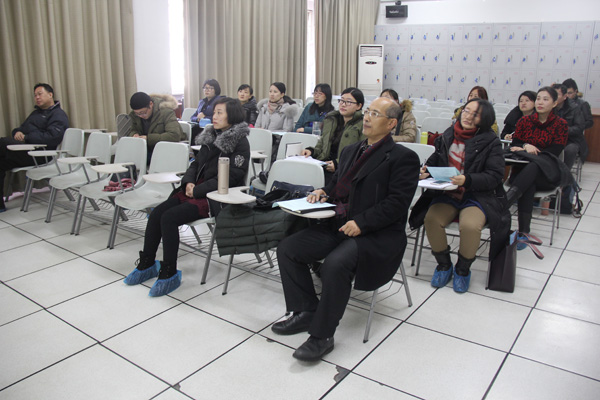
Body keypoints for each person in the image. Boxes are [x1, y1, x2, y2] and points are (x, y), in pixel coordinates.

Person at [271, 97, 420, 361]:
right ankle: (306, 311)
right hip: (340, 224)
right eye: (368, 112)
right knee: (288, 249)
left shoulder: (403, 158)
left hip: (376, 233)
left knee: (335, 264)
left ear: (391, 123)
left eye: (375, 114)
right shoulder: (352, 150)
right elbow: (340, 185)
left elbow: (397, 204)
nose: (368, 117)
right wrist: (323, 191)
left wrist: (362, 223)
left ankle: (322, 336)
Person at [123, 97, 250, 297]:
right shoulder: (210, 135)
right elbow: (195, 164)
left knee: (169, 217)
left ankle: (169, 271)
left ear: (232, 116)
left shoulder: (240, 142)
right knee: (156, 214)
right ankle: (147, 263)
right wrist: (188, 183)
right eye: (214, 112)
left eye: (220, 113)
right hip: (194, 189)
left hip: (215, 196)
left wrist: (197, 190)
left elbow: (231, 177)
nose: (214, 116)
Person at [414, 99, 508, 293]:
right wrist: (426, 171)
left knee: (470, 225)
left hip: (477, 196)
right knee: (431, 219)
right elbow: (435, 160)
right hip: (448, 193)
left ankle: (463, 269)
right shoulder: (448, 134)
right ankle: (444, 264)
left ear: (484, 119)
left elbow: (495, 176)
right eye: (466, 111)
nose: (468, 116)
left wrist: (468, 180)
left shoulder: (491, 142)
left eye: (475, 114)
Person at [504, 87, 570, 245]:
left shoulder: (561, 124)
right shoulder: (524, 122)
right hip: (523, 173)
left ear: (554, 103)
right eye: (538, 98)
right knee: (529, 181)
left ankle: (505, 203)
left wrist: (529, 151)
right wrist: (526, 146)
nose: (540, 102)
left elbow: (554, 152)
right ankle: (523, 233)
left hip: (547, 174)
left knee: (533, 168)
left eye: (545, 99)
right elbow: (515, 145)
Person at [0, 83, 69, 212]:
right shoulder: (35, 114)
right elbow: (21, 128)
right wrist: (17, 132)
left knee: (2, 143)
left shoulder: (58, 115)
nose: (37, 97)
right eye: (35, 95)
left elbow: (52, 137)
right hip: (26, 151)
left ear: (50, 95)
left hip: (41, 155)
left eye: (40, 94)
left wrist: (26, 137)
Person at [301, 87, 365, 183]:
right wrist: (311, 151)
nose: (343, 104)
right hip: (324, 164)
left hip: (344, 170)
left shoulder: (363, 124)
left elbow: (361, 153)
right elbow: (322, 144)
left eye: (348, 102)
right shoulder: (332, 120)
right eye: (341, 100)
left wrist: (338, 164)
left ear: (359, 106)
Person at [128, 92, 185, 161]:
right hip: (146, 149)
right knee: (128, 157)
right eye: (137, 114)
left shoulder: (166, 112)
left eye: (143, 112)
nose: (141, 116)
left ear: (151, 104)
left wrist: (148, 138)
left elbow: (174, 135)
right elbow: (132, 129)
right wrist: (134, 134)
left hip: (166, 150)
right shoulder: (133, 115)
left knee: (137, 160)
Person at [551, 83, 587, 170]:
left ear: (565, 96)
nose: (554, 97)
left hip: (571, 140)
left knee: (570, 150)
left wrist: (562, 131)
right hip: (552, 138)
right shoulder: (549, 107)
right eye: (552, 95)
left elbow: (579, 128)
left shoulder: (574, 108)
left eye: (557, 95)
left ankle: (565, 173)